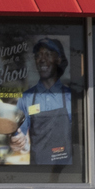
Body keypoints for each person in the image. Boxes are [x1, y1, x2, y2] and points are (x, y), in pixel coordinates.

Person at [21, 37, 74, 167]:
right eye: (38, 55)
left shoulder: (70, 97)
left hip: (67, 173)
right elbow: (19, 133)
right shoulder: (27, 97)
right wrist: (17, 139)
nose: (42, 59)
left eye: (48, 54)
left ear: (58, 59)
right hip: (37, 173)